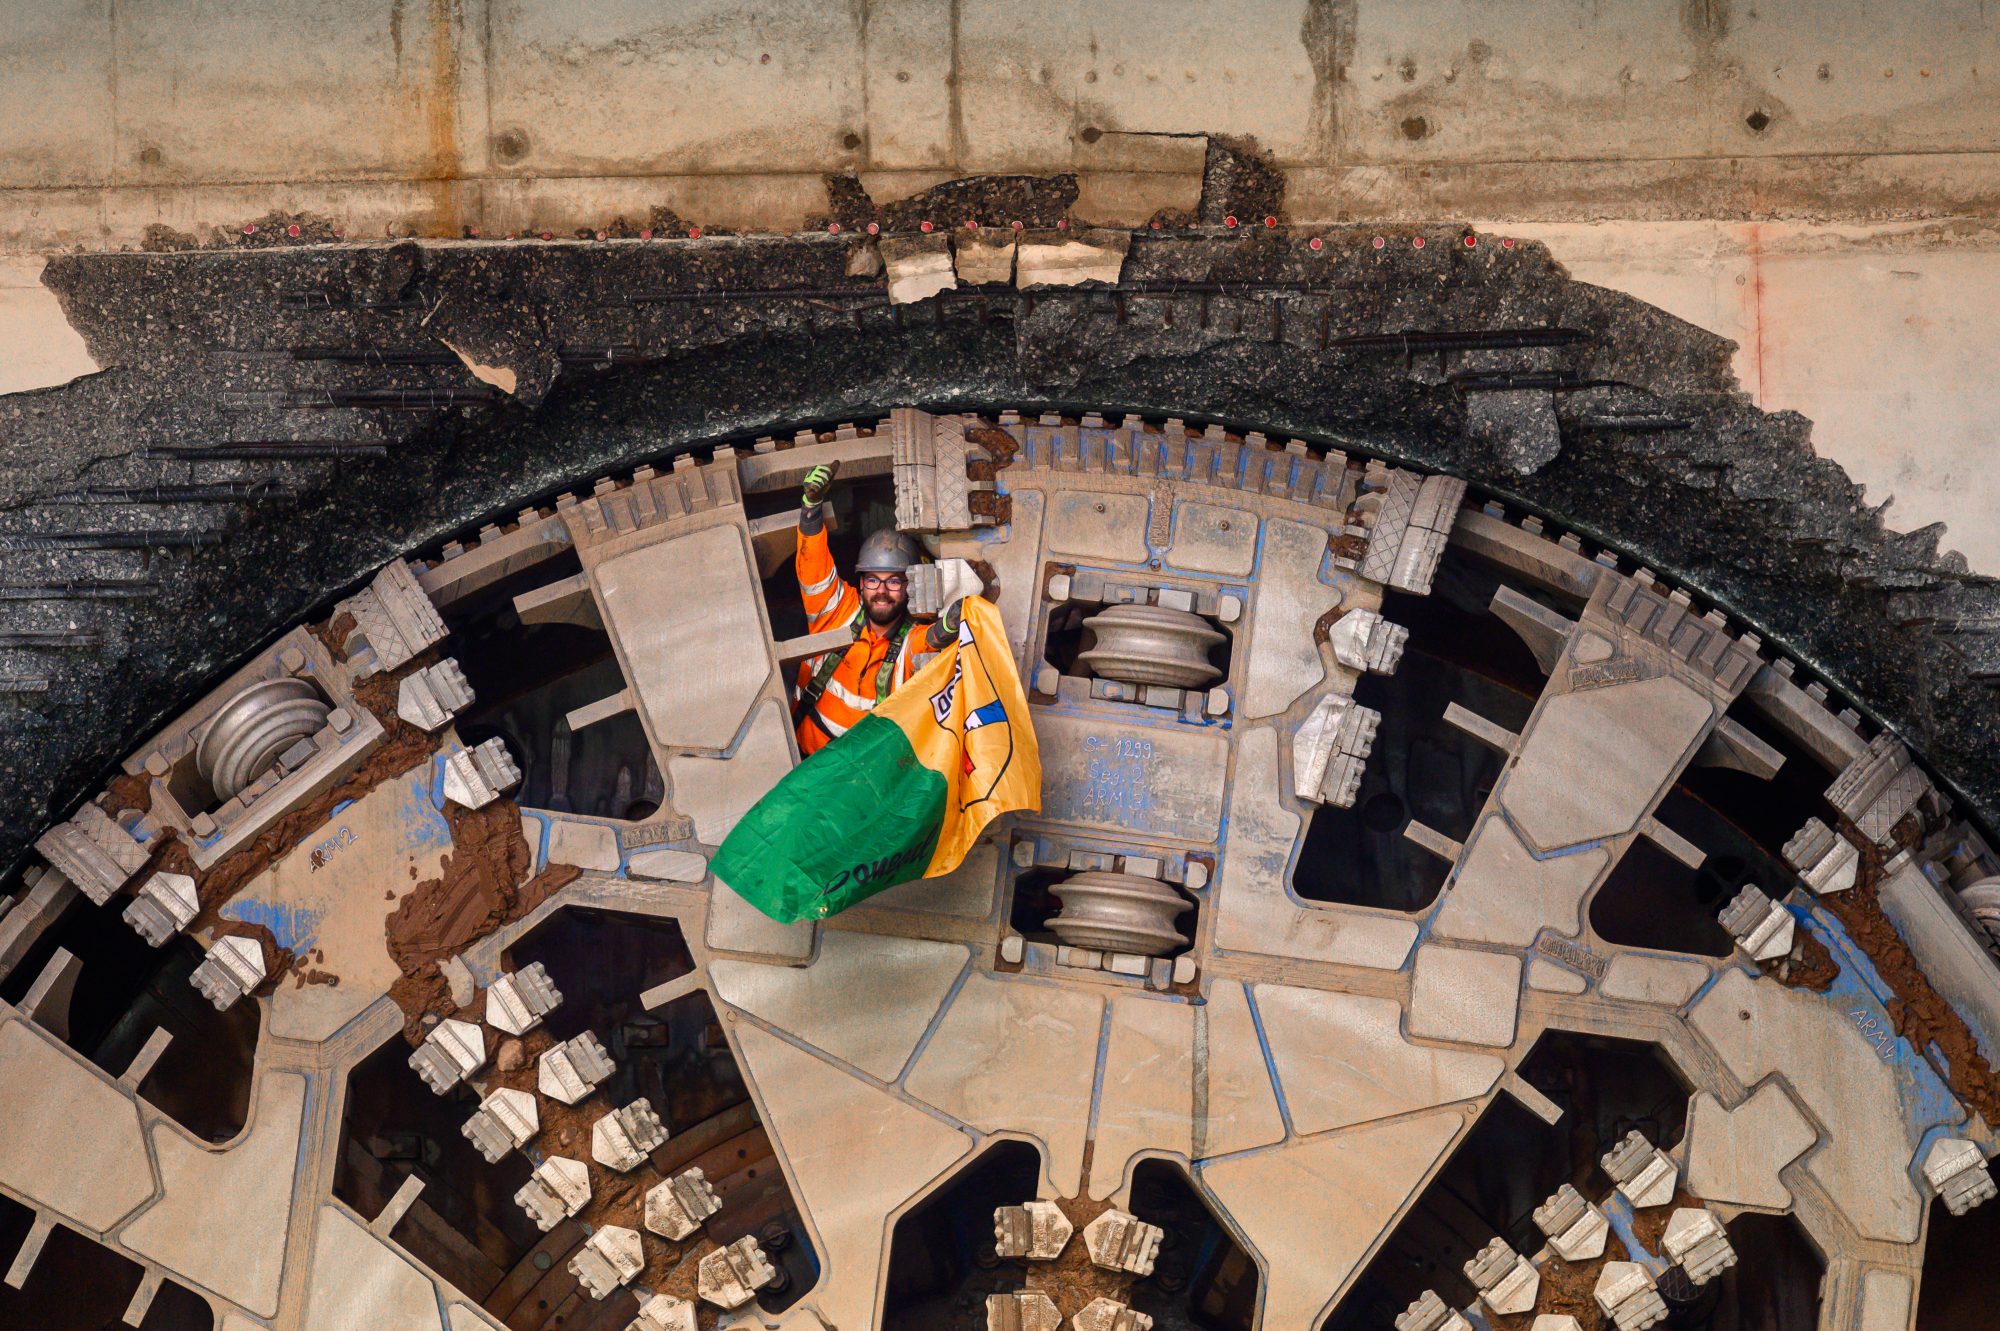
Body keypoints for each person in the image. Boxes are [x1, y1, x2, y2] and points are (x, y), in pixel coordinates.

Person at [791, 462, 962, 755]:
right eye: (873, 580)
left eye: (893, 581)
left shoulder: (909, 641)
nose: (881, 591)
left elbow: (926, 643)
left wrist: (949, 626)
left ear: (909, 587)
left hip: (860, 778)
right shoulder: (837, 610)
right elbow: (813, 566)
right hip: (802, 762)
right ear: (861, 582)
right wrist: (811, 508)